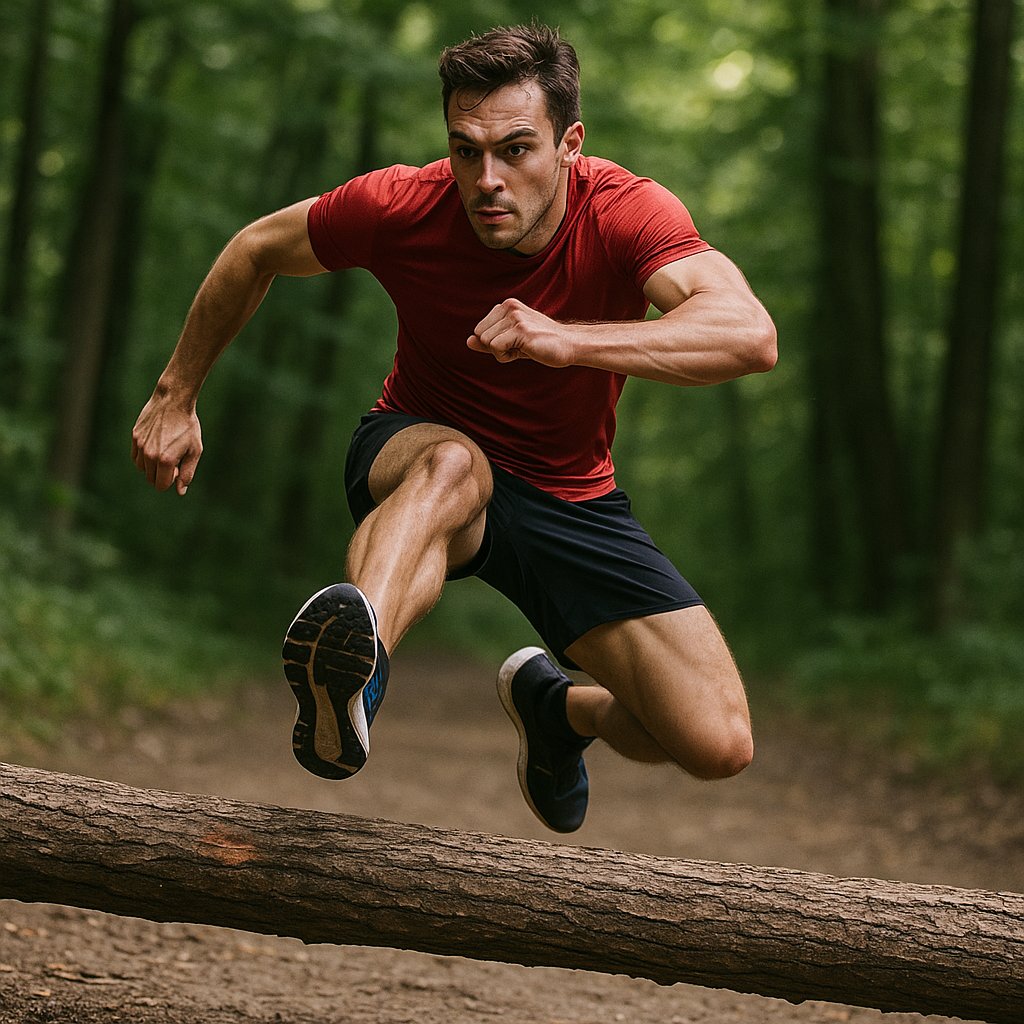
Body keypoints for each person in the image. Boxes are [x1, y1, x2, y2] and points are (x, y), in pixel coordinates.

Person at [131, 23, 777, 834]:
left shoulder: (625, 211)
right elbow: (256, 247)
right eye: (465, 150)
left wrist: (566, 338)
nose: (486, 179)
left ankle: (558, 710)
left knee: (717, 742)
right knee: (453, 465)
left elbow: (748, 334)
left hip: (568, 496)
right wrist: (175, 392)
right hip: (417, 444)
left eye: (515, 150)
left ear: (570, 143)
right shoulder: (403, 204)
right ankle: (352, 676)